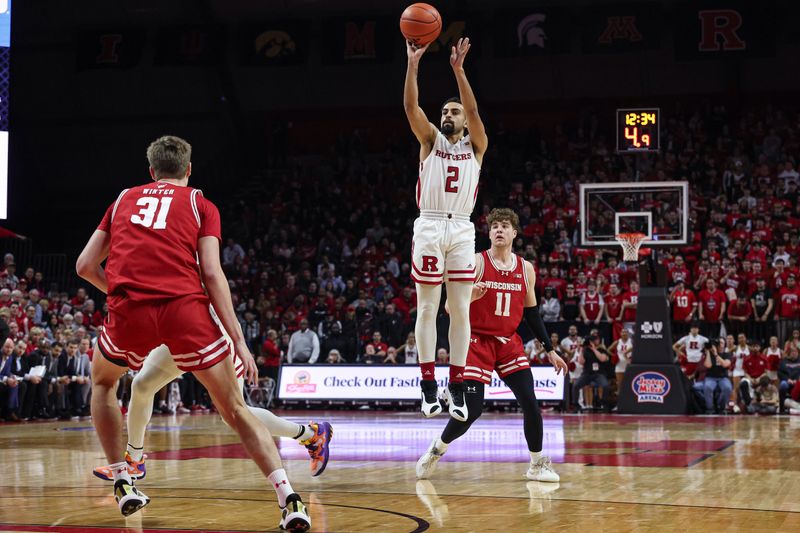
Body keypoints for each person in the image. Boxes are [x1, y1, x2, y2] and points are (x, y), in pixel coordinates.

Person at [75, 136, 311, 530]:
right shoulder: (201, 204)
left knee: (103, 385)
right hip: (184, 311)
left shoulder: (122, 199)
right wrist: (237, 338)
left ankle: (123, 479)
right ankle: (289, 498)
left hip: (129, 310)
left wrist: (119, 292)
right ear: (188, 170)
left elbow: (84, 265)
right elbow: (213, 274)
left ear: (150, 172)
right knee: (235, 409)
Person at [415, 208, 568, 482]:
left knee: (531, 403)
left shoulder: (526, 269)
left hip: (508, 342)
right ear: (489, 233)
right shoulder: (474, 262)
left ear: (514, 233)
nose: (499, 230)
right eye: (495, 226)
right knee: (472, 411)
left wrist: (551, 350)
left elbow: (532, 314)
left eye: (505, 226)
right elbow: (449, 307)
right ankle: (437, 450)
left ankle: (537, 464)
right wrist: (470, 296)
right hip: (476, 341)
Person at [92, 338, 332, 482]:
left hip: (208, 332)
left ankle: (310, 434)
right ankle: (134, 460)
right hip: (174, 331)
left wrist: (238, 340)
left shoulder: (192, 256)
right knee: (142, 385)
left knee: (235, 413)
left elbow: (215, 284)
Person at [404, 37, 488, 421]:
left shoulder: (477, 146)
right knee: (427, 306)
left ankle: (455, 388)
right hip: (431, 223)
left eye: (455, 110)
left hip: (462, 229)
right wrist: (413, 65)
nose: (449, 114)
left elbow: (472, 106)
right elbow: (410, 106)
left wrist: (459, 71)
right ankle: (426, 387)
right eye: (445, 110)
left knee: (460, 312)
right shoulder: (430, 140)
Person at [702, 338, 733, 414]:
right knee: (707, 387)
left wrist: (716, 354)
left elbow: (725, 364)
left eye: (722, 343)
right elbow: (708, 365)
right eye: (719, 343)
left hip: (723, 378)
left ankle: (721, 407)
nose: (720, 345)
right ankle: (710, 408)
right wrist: (709, 352)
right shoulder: (710, 354)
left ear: (724, 344)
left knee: (727, 388)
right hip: (710, 377)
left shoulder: (727, 354)